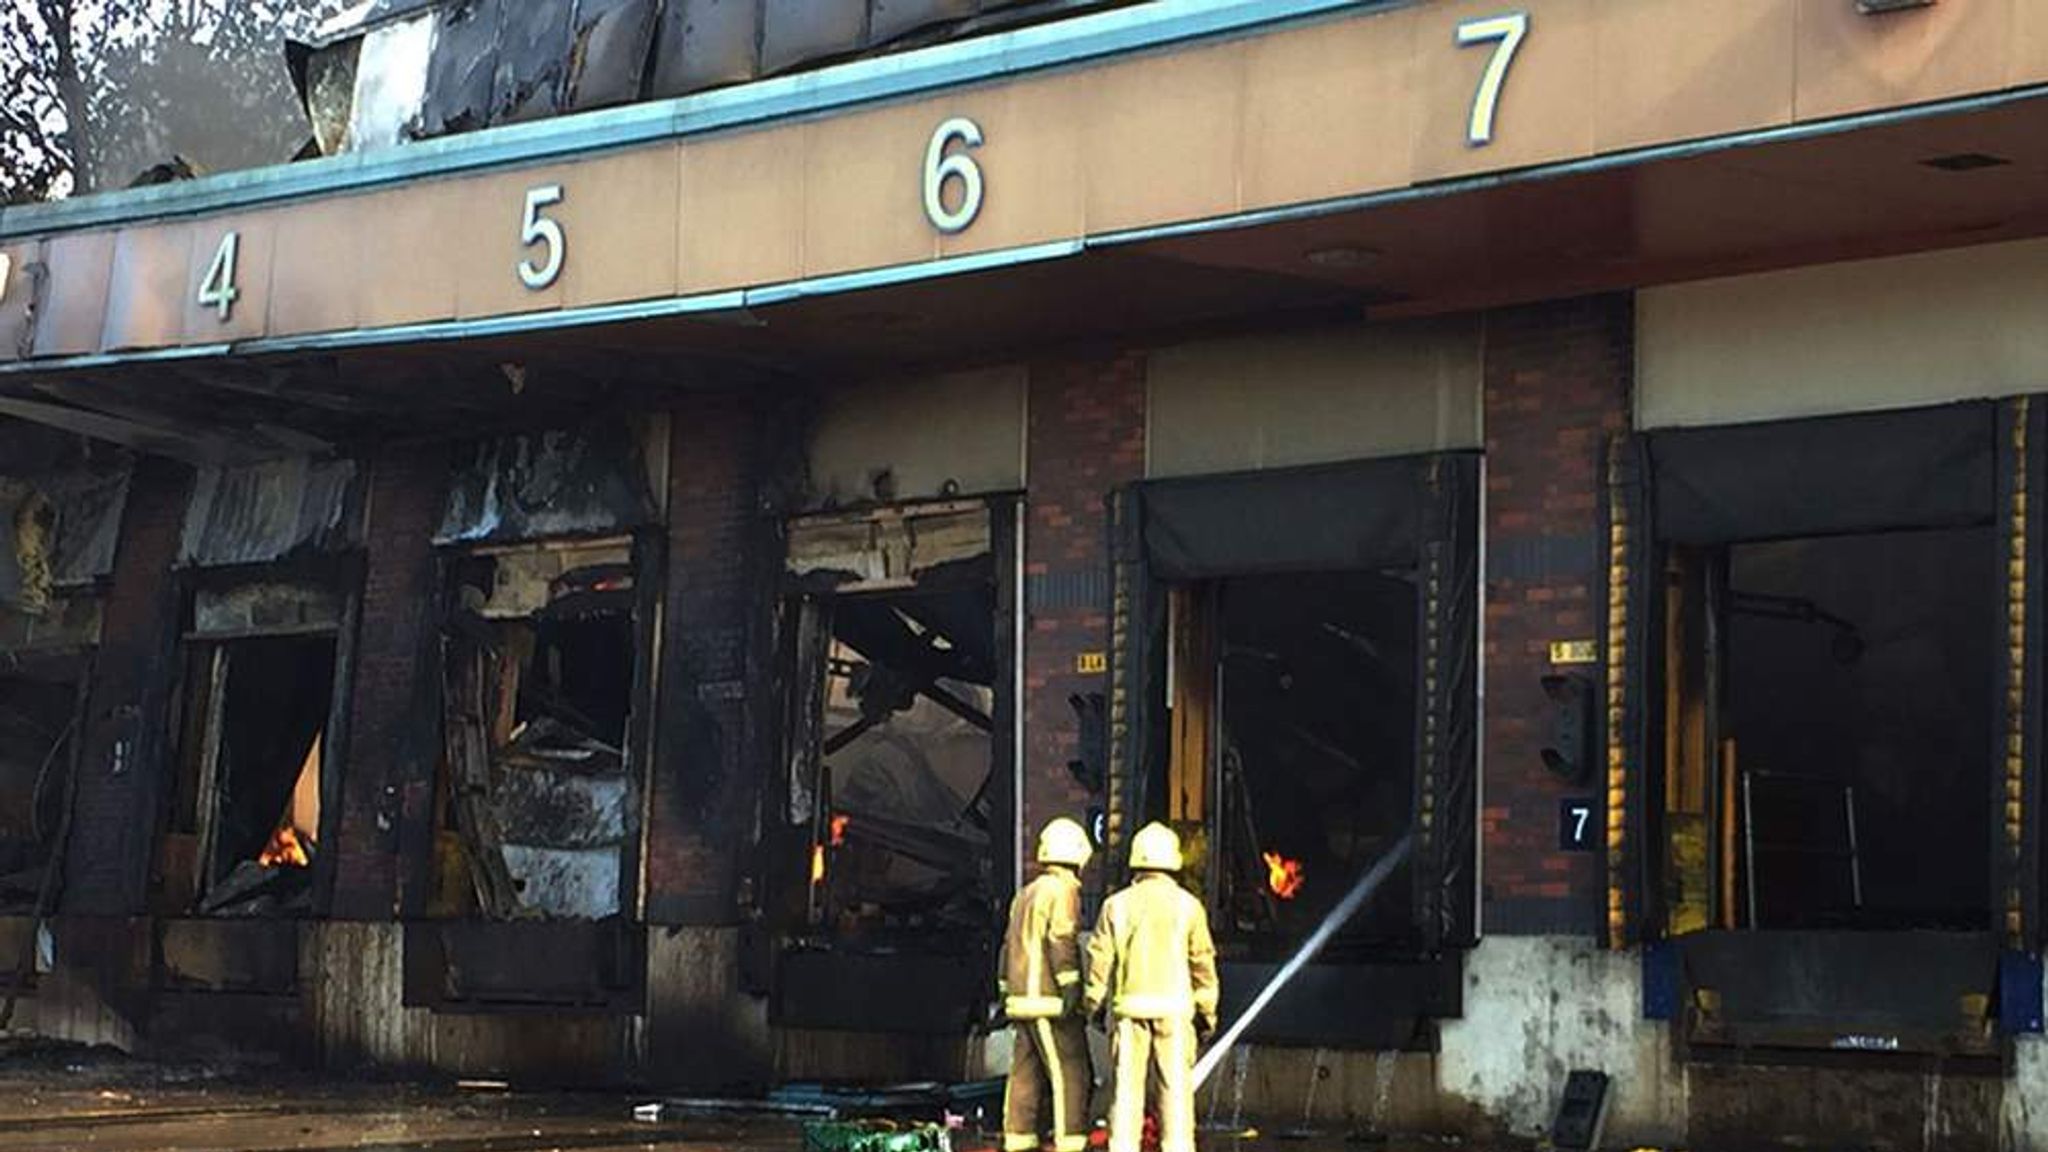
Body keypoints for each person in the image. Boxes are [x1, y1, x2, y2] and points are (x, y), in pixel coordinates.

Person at [1084, 823, 1218, 1152]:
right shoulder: (1189, 906)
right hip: (1174, 1013)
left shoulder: (1116, 905)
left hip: (1129, 1015)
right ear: (1173, 861)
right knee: (1175, 1091)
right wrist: (1207, 1013)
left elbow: (1099, 960)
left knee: (1127, 1091)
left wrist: (1094, 1006)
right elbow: (1202, 964)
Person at [999, 817, 1095, 1152]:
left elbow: (1007, 945)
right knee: (1070, 1071)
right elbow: (1061, 939)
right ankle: (1071, 1141)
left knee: (1025, 1072)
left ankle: (1018, 1137)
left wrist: (1005, 990)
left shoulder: (1025, 893)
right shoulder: (1063, 891)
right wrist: (1071, 988)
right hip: (1049, 1002)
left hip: (1021, 999)